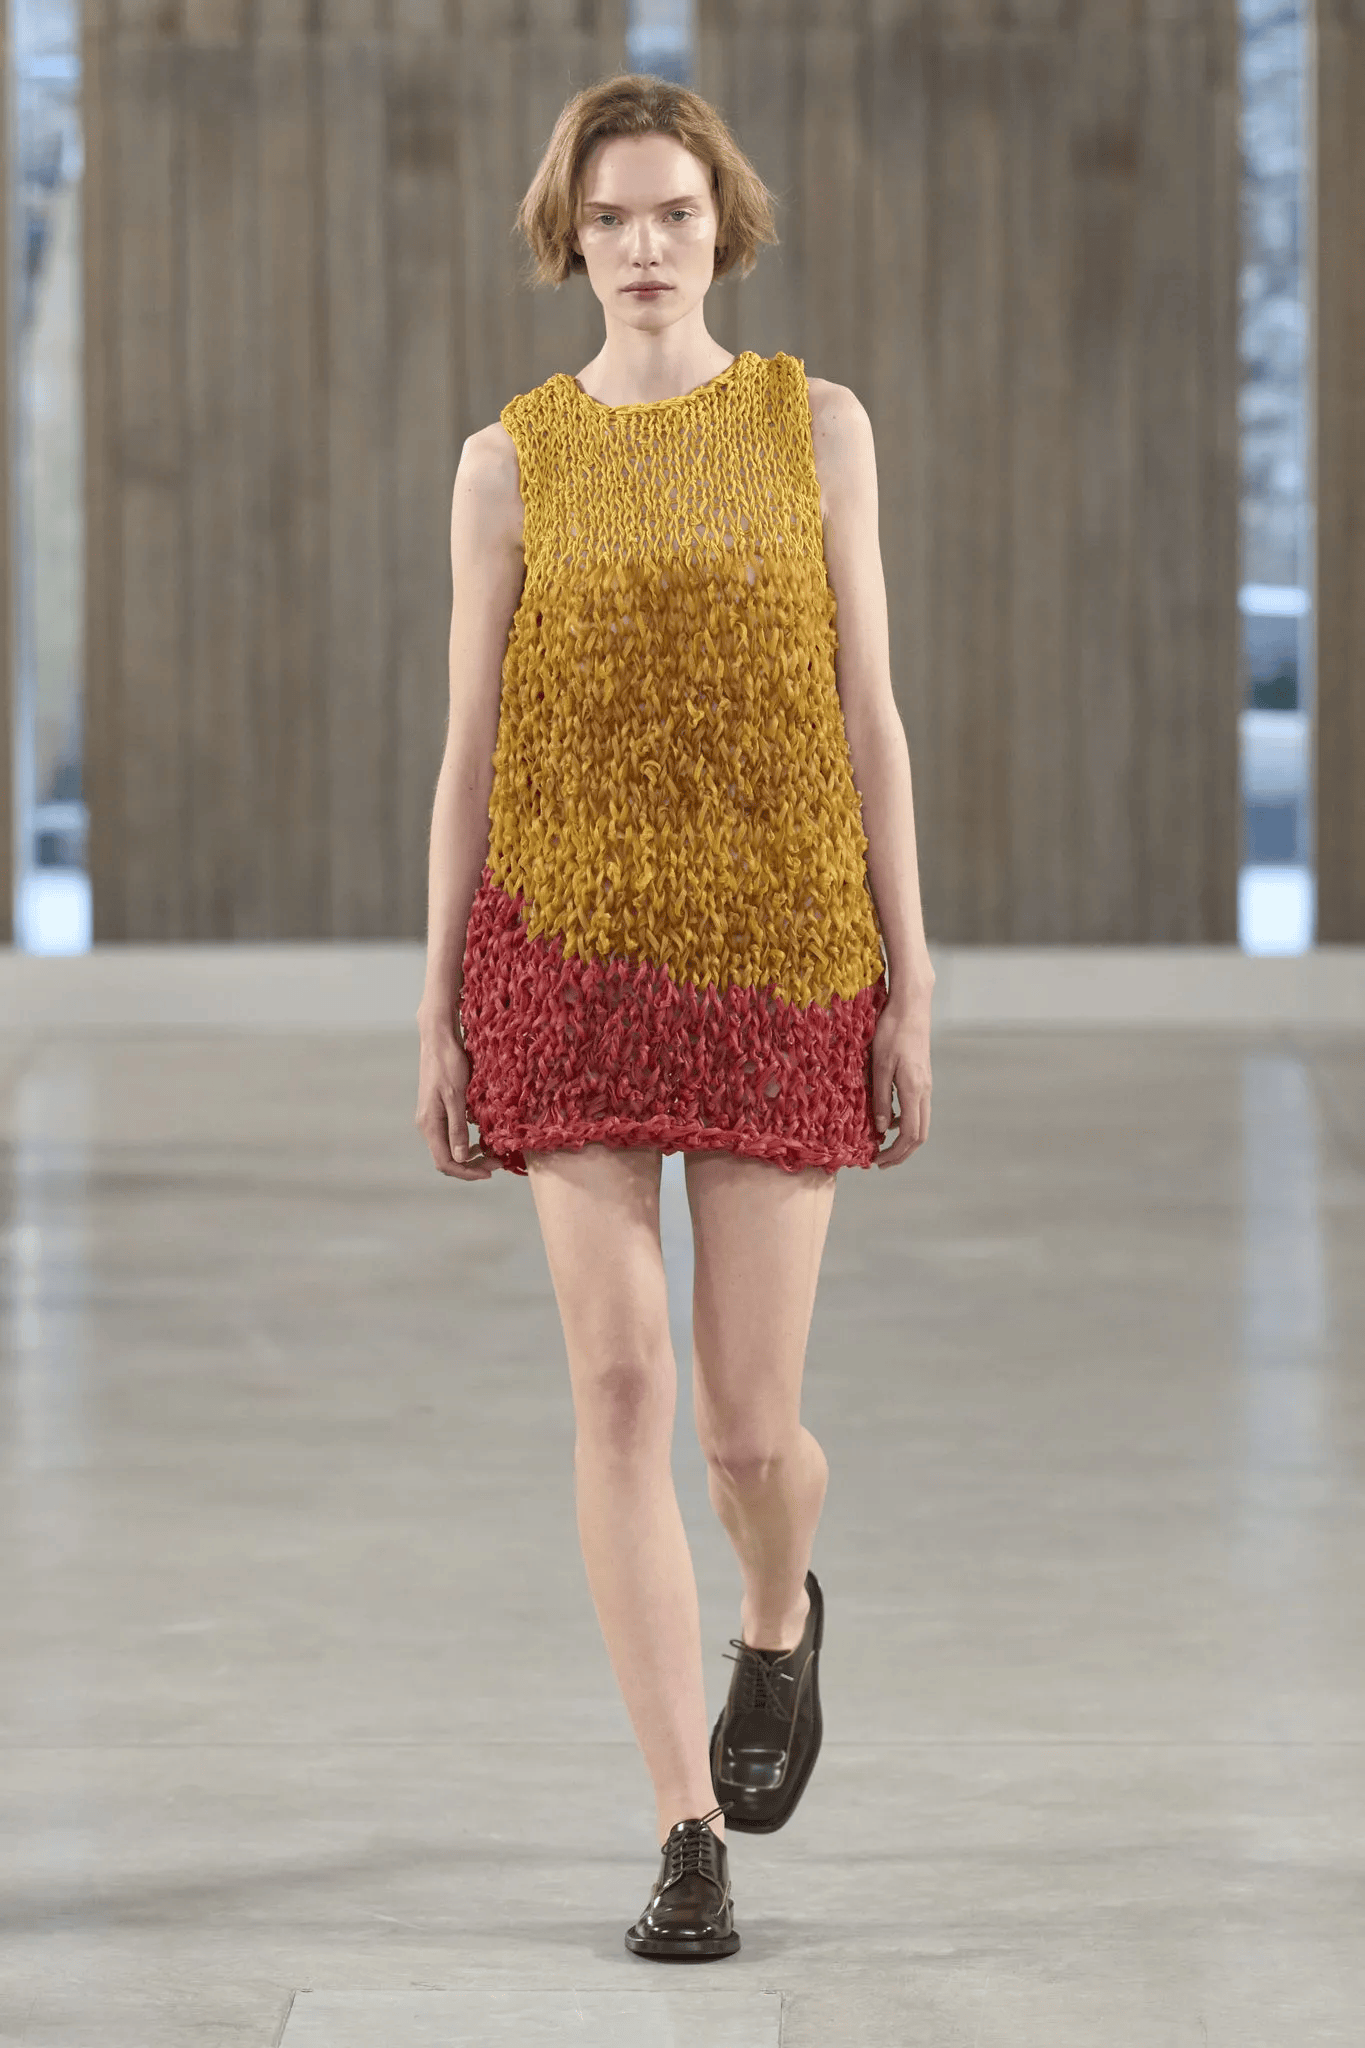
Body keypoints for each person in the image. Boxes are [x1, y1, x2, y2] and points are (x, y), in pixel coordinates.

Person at [415, 71, 935, 1962]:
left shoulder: (818, 426)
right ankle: (682, 1830)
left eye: (676, 216)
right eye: (612, 218)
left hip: (785, 954)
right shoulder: (509, 461)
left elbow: (868, 708)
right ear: (572, 238)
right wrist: (438, 1008)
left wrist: (912, 976)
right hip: (563, 957)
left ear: (725, 228)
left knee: (742, 1431)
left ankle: (779, 1616)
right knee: (619, 1390)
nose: (644, 247)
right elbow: (470, 751)